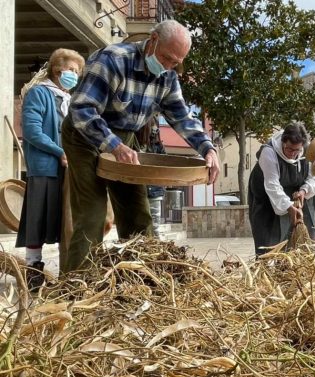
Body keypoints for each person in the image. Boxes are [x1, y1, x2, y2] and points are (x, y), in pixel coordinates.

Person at [62, 20, 220, 273]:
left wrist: (207, 148)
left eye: (175, 62)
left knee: (138, 213)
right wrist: (113, 145)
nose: (169, 66)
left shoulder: (168, 75)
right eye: (167, 58)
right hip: (85, 134)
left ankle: (142, 279)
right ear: (153, 39)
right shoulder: (112, 59)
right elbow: (82, 109)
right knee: (92, 215)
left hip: (125, 137)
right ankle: (76, 286)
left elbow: (181, 117)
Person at [16, 48, 85, 290]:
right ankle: (33, 268)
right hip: (46, 167)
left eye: (77, 72)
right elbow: (33, 131)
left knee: (62, 218)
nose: (74, 76)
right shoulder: (39, 93)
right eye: (71, 70)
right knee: (38, 217)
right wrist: (59, 151)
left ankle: (66, 267)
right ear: (58, 70)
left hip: (67, 167)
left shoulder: (68, 99)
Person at [248, 123, 315, 256]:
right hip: (267, 196)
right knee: (268, 238)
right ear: (283, 142)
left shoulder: (307, 149)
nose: (293, 155)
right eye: (289, 149)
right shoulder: (269, 152)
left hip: (297, 192)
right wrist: (288, 206)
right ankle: (266, 264)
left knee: (305, 228)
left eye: (297, 150)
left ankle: (297, 261)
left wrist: (304, 191)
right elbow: (272, 185)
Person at [137, 115, 166, 238]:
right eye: (152, 128)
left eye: (156, 129)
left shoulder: (158, 146)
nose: (155, 131)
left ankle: (158, 251)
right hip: (139, 190)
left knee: (155, 227)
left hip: (155, 192)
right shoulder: (136, 145)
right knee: (143, 225)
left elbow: (165, 164)